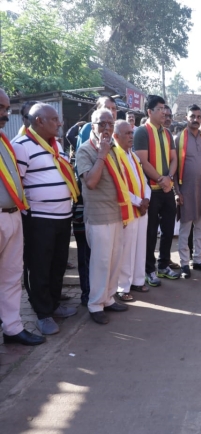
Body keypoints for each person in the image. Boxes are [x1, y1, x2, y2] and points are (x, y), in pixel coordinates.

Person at [13, 104, 79, 335]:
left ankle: (53, 305)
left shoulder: (57, 146)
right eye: (54, 119)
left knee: (58, 264)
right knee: (38, 267)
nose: (59, 123)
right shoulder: (20, 146)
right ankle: (42, 313)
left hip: (63, 216)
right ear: (39, 121)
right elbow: (16, 185)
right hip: (39, 219)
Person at [76, 109, 131, 324]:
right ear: (92, 125)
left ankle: (108, 298)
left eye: (110, 124)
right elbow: (90, 182)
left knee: (115, 260)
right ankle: (95, 304)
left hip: (117, 214)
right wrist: (101, 154)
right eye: (102, 124)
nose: (106, 128)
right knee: (100, 262)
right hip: (98, 217)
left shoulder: (114, 150)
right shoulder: (85, 150)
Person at [0, 88, 46, 346]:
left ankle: (13, 327)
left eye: (6, 108)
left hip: (13, 215)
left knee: (10, 276)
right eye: (1, 108)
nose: (5, 113)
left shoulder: (4, 140)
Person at [134, 95, 179, 285]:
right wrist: (161, 179)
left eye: (165, 109)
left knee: (168, 229)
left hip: (167, 189)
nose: (164, 112)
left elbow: (174, 159)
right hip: (150, 190)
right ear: (149, 112)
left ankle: (163, 265)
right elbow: (142, 161)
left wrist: (169, 179)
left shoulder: (167, 133)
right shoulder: (142, 133)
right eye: (160, 109)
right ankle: (149, 269)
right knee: (151, 231)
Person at [174, 104, 201, 277]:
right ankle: (184, 263)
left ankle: (198, 259)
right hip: (186, 191)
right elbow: (174, 168)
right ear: (186, 118)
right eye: (193, 116)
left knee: (200, 228)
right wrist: (177, 192)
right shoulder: (179, 139)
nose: (196, 120)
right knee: (185, 230)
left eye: (199, 117)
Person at [113, 120, 151, 299]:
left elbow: (143, 181)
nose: (131, 136)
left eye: (131, 133)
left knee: (139, 247)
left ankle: (138, 280)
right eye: (126, 133)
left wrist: (146, 199)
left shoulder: (134, 156)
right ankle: (123, 287)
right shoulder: (115, 156)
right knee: (126, 249)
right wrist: (138, 202)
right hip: (129, 209)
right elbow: (120, 187)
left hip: (142, 208)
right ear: (116, 136)